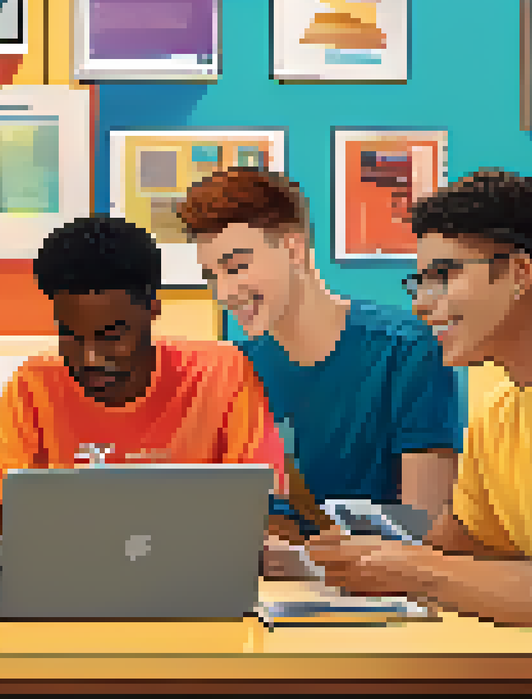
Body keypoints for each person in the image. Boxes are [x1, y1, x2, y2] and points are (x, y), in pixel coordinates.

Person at [0, 216, 287, 573]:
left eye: (112, 336)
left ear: (153, 309)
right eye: (71, 335)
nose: (89, 358)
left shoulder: (222, 372)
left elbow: (267, 514)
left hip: (200, 597)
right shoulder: (34, 383)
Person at [179, 168, 463, 548]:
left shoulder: (407, 349)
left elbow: (425, 526)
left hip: (388, 593)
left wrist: (311, 562)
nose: (225, 292)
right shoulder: (236, 368)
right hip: (271, 592)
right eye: (211, 276)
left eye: (237, 266)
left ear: (293, 249)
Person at [309, 171, 532, 626]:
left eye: (443, 276)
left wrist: (420, 570)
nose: (421, 304)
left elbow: (441, 567)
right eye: (420, 283)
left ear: (520, 272)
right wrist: (353, 546)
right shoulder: (499, 416)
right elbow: (477, 550)